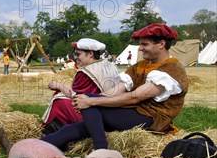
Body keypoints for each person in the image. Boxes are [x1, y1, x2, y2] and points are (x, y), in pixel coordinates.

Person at [42, 23, 189, 151]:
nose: (140, 49)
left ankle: (101, 150)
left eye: (145, 44)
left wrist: (91, 101)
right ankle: (35, 146)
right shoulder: (140, 66)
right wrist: (88, 99)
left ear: (161, 44)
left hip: (152, 119)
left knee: (90, 104)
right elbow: (116, 90)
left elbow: (135, 97)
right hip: (132, 112)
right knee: (77, 127)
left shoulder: (172, 69)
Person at [41, 38, 121, 134]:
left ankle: (50, 132)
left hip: (97, 114)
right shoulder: (109, 65)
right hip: (113, 110)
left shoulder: (86, 72)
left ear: (90, 54)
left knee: (58, 100)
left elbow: (77, 98)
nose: (76, 58)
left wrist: (59, 86)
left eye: (78, 54)